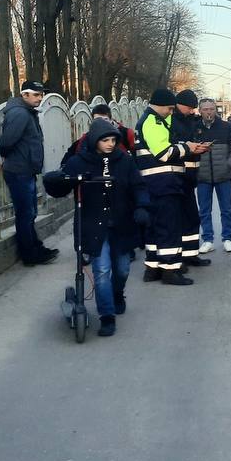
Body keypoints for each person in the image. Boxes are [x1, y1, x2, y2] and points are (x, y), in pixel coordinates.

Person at [44, 119, 150, 336]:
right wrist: (55, 179)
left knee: (122, 269)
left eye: (113, 140)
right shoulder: (79, 161)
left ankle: (117, 293)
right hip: (93, 224)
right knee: (101, 270)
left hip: (122, 222)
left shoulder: (125, 161)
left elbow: (138, 186)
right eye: (105, 140)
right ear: (94, 141)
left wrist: (142, 206)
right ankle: (107, 316)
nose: (110, 144)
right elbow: (61, 184)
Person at [134, 88, 205, 285]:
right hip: (163, 183)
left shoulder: (151, 120)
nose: (170, 112)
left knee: (155, 227)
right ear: (160, 105)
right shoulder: (153, 121)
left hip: (156, 183)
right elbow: (164, 153)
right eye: (169, 108)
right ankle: (170, 270)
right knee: (168, 227)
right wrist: (188, 148)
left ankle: (153, 267)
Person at [0, 80, 56, 266]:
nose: (40, 98)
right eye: (36, 95)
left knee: (29, 213)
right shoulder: (20, 114)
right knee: (26, 214)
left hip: (24, 170)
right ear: (25, 95)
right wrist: (18, 159)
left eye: (41, 94)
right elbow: (5, 143)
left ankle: (35, 248)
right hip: (18, 171)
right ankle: (29, 255)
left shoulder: (26, 112)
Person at [192, 97, 231, 254]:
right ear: (200, 111)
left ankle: (227, 238)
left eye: (211, 109)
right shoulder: (194, 127)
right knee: (204, 210)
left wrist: (229, 165)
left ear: (216, 110)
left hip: (223, 176)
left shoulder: (226, 127)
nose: (209, 112)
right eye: (205, 109)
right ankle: (207, 239)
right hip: (202, 177)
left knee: (226, 209)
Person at [172, 90, 210, 268]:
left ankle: (190, 254)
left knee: (192, 218)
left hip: (190, 177)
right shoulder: (172, 122)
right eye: (190, 107)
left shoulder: (190, 121)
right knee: (179, 219)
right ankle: (178, 257)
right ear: (180, 104)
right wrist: (190, 148)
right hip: (177, 177)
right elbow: (172, 147)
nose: (192, 111)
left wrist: (200, 147)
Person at [61, 104, 136, 167]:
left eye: (105, 119)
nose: (102, 123)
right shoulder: (86, 138)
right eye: (98, 120)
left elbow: (137, 158)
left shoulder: (127, 133)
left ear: (111, 119)